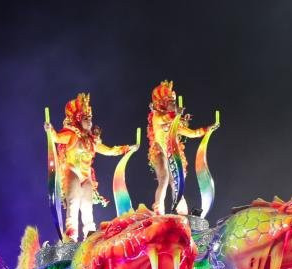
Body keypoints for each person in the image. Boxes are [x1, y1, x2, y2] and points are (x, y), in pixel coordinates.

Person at [44, 93, 133, 240]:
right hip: (72, 171)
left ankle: (90, 234)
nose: (90, 121)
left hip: (86, 176)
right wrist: (50, 129)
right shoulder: (72, 134)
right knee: (73, 202)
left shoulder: (92, 141)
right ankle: (71, 237)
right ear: (79, 120)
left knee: (87, 206)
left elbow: (109, 150)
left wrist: (127, 149)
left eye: (90, 118)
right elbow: (56, 138)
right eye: (86, 118)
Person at [147, 81, 218, 214]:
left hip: (171, 153)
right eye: (170, 102)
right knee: (164, 178)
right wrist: (175, 114)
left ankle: (183, 214)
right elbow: (164, 119)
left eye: (174, 102)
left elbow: (193, 133)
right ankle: (158, 213)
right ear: (163, 103)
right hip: (159, 151)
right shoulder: (158, 117)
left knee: (177, 183)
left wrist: (208, 129)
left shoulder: (176, 123)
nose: (173, 104)